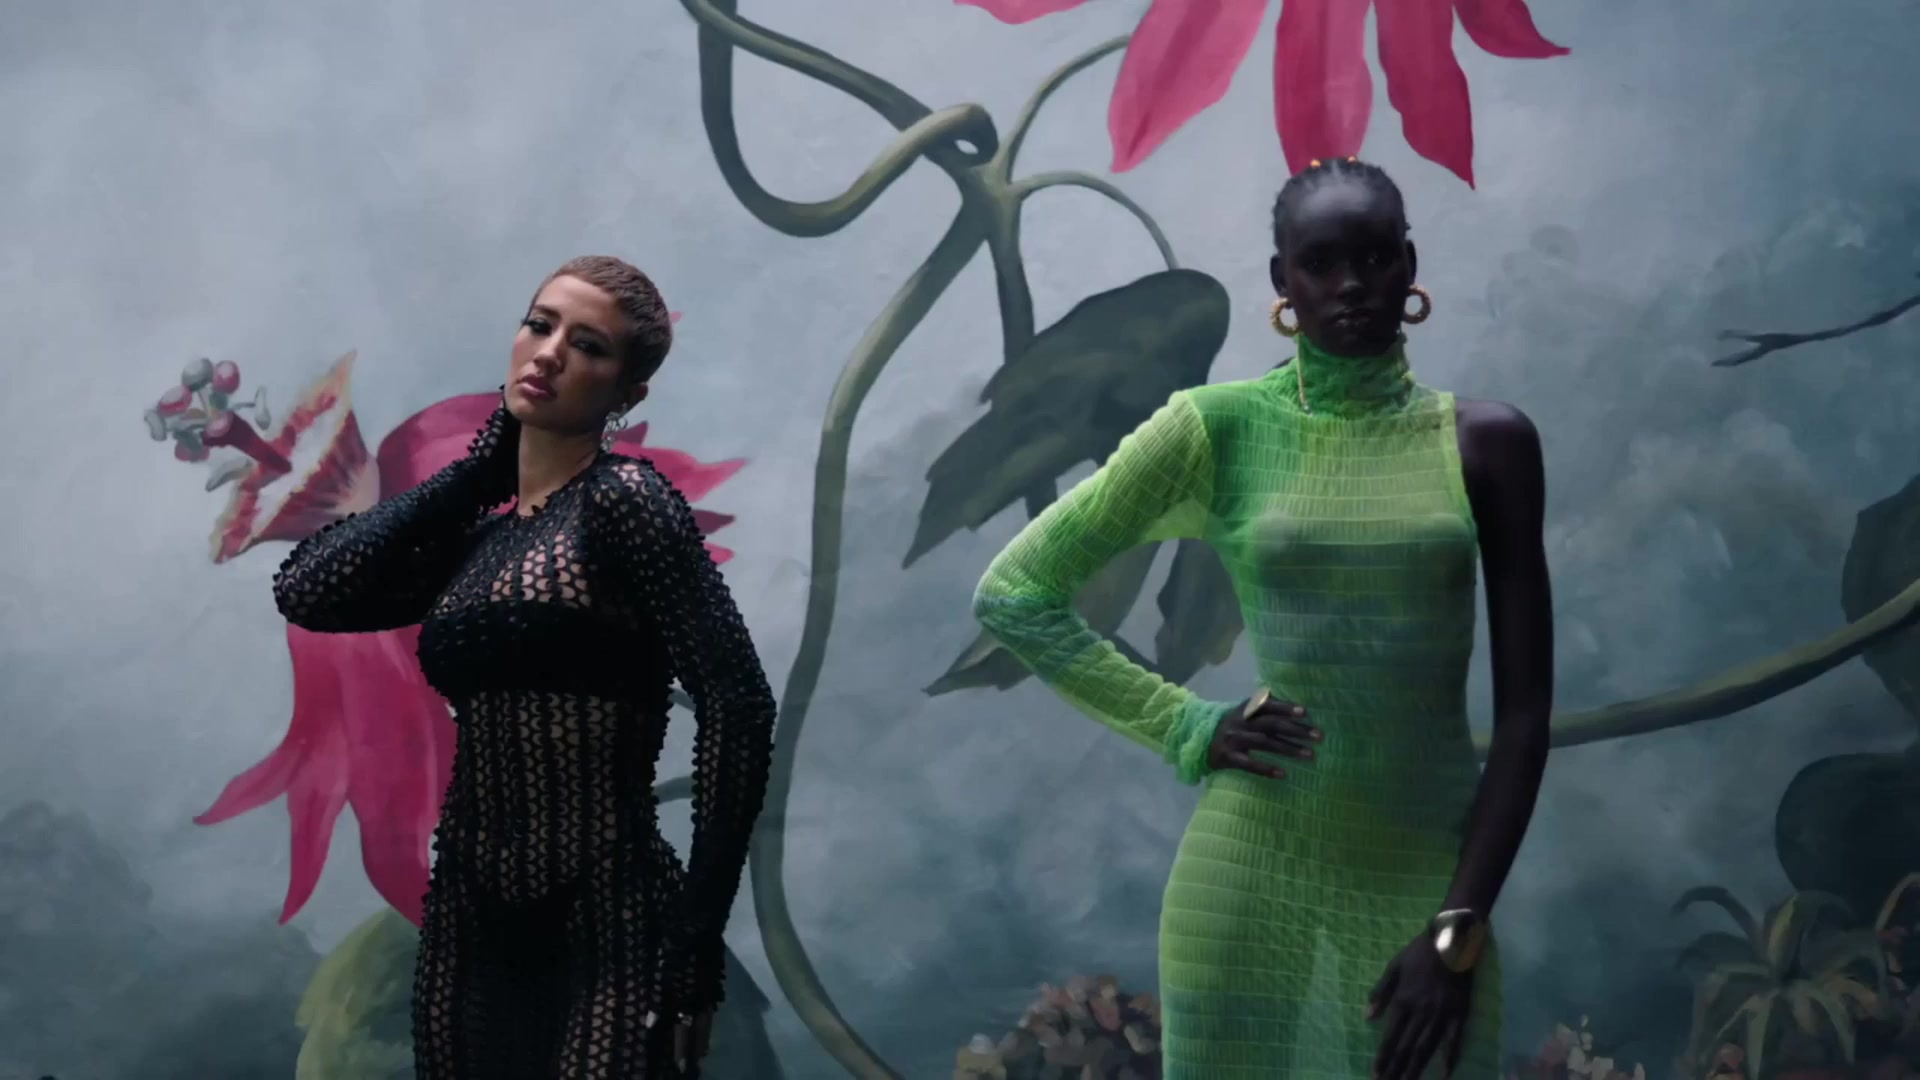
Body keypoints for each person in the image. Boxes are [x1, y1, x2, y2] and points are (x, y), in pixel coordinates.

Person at [972, 157, 1555, 1079]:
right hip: (1245, 879)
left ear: (1410, 266)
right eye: (1321, 263)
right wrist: (1185, 724)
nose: (1350, 285)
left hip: (1426, 873)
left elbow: (1524, 718)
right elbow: (1015, 591)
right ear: (1284, 281)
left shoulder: (1489, 445)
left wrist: (1456, 930)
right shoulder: (1218, 428)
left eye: (1373, 258)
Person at [270, 255, 777, 1078]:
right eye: (540, 326)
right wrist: (473, 475)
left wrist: (694, 943)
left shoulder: (627, 502)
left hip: (609, 918)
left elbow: (738, 703)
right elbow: (307, 590)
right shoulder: (480, 543)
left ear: (627, 392)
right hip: (469, 927)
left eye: (588, 346)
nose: (549, 353)